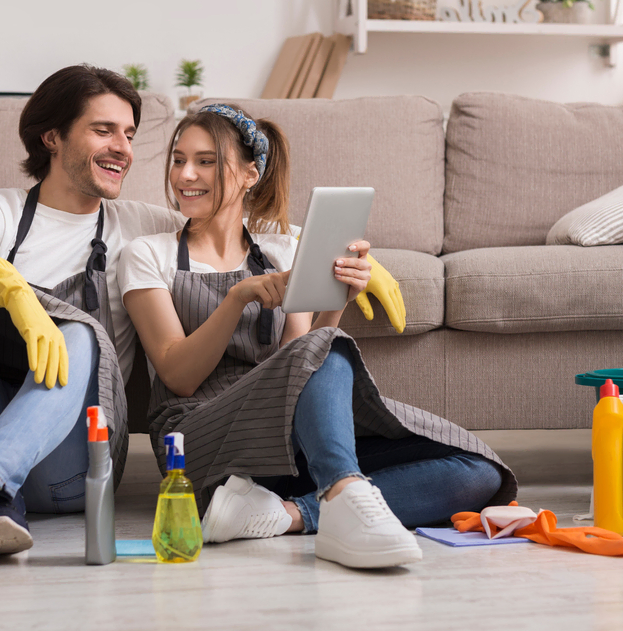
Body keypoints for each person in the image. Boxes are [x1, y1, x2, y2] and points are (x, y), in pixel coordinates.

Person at [0, 64, 411, 579]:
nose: (124, 150)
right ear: (52, 138)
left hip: (71, 462)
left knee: (80, 333)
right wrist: (11, 290)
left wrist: (340, 261)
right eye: (104, 130)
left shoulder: (140, 224)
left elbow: (229, 224)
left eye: (129, 134)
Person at [119, 105, 518, 569]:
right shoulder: (148, 253)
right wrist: (236, 300)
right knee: (318, 351)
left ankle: (294, 512)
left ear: (251, 174)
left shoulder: (282, 250)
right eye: (178, 159)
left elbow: (302, 361)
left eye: (205, 161)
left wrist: (339, 297)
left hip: (281, 441)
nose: (185, 174)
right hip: (196, 442)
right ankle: (344, 502)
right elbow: (177, 374)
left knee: (479, 472)